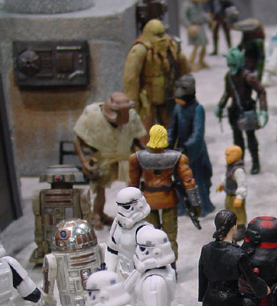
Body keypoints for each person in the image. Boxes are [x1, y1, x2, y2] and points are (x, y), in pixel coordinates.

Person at [73, 92, 147, 229]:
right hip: (103, 157)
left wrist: (147, 153)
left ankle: (133, 214)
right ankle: (97, 213)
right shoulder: (92, 115)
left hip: (125, 156)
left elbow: (136, 138)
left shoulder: (131, 116)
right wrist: (84, 161)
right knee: (100, 187)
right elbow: (77, 140)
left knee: (132, 186)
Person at [128, 124, 201, 262]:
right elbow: (189, 182)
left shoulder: (137, 158)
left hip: (148, 201)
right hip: (168, 199)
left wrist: (131, 207)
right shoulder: (178, 157)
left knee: (150, 235)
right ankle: (171, 264)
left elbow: (133, 184)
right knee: (170, 236)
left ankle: (155, 263)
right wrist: (196, 204)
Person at [123, 19, 190, 129]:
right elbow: (131, 79)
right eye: (157, 36)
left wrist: (185, 94)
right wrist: (133, 105)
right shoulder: (140, 50)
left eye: (162, 35)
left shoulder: (171, 47)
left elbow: (183, 69)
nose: (161, 39)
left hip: (169, 96)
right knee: (145, 130)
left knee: (172, 128)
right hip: (148, 100)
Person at [167, 75, 215, 216]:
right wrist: (168, 143)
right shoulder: (177, 108)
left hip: (195, 150)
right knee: (180, 179)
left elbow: (198, 133)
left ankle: (201, 206)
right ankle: (183, 206)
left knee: (196, 179)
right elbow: (172, 128)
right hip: (180, 148)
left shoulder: (198, 109)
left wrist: (187, 147)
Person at [216, 48, 268, 174]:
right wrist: (220, 106)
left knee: (251, 138)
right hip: (235, 110)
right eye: (229, 64)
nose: (231, 66)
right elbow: (227, 93)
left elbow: (261, 91)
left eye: (233, 63)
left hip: (247, 110)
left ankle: (255, 162)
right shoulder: (228, 77)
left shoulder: (248, 77)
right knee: (237, 139)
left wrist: (263, 110)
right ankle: (239, 162)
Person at [217, 146, 248, 241]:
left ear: (235, 155)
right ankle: (231, 228)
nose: (225, 157)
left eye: (228, 155)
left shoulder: (238, 170)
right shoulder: (230, 168)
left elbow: (242, 184)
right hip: (229, 194)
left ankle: (241, 229)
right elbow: (226, 177)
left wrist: (240, 197)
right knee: (229, 211)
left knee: (238, 213)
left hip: (236, 196)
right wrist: (222, 184)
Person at [183, 0, 210, 71]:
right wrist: (189, 26)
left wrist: (207, 18)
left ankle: (201, 61)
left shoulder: (198, 4)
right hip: (194, 27)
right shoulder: (188, 5)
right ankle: (191, 63)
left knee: (204, 45)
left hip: (201, 26)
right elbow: (183, 17)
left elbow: (201, 13)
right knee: (196, 47)